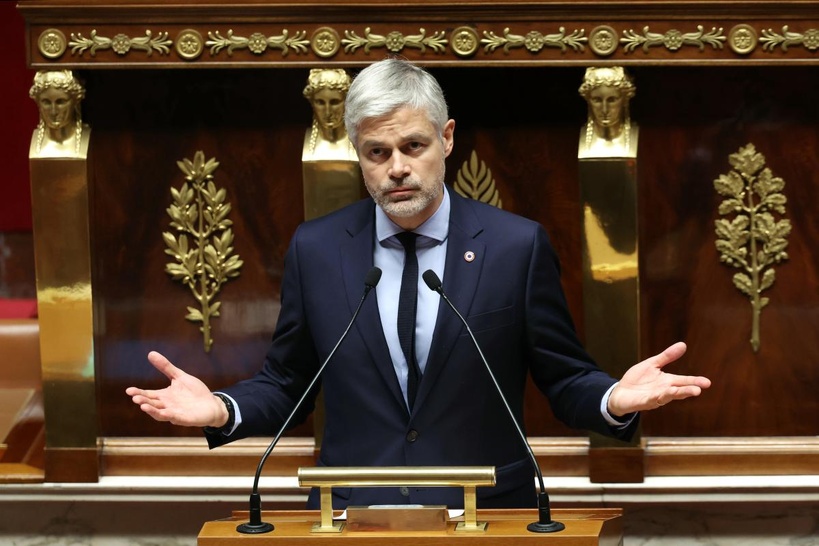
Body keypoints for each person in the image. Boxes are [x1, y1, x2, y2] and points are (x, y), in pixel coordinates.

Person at [127, 58, 710, 509]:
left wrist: (613, 399)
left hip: (488, 513)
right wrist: (221, 410)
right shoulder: (318, 248)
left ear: (447, 139)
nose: (397, 168)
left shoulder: (515, 247)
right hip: (349, 517)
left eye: (413, 146)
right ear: (359, 156)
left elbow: (563, 379)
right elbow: (287, 383)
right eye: (377, 152)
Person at [577, 66, 637, 158]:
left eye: (612, 100)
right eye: (597, 100)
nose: (604, 110)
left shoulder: (639, 137)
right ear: (588, 100)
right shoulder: (577, 138)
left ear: (625, 99)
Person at [28, 69, 88, 158]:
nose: (53, 111)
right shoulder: (36, 143)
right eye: (46, 102)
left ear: (76, 101)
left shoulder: (86, 138)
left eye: (60, 102)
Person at [302, 67, 357, 161]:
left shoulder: (358, 141)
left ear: (347, 102)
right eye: (320, 102)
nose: (328, 112)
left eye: (335, 102)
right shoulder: (309, 144)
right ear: (312, 103)